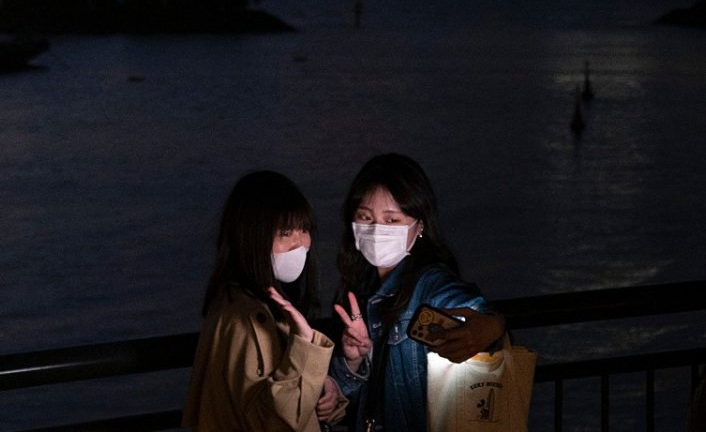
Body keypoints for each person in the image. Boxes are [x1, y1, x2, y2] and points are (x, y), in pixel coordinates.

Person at [329, 153, 506, 431]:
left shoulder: (431, 285)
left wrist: (492, 327)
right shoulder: (361, 293)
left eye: (392, 220)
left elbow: (471, 310)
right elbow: (346, 406)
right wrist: (353, 362)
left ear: (420, 225)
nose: (376, 230)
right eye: (365, 217)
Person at [183, 170, 347, 431]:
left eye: (304, 229)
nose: (300, 243)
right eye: (285, 232)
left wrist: (324, 386)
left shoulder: (250, 303)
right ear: (251, 238)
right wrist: (306, 346)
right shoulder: (247, 320)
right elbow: (271, 421)